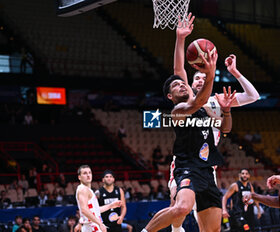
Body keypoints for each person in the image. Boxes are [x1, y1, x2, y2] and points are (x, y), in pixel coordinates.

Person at [168, 13, 260, 232]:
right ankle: (175, 229)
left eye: (203, 77)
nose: (199, 79)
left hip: (207, 165)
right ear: (189, 84)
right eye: (195, 78)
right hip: (185, 162)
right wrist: (180, 39)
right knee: (177, 206)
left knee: (209, 225)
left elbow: (253, 96)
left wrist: (235, 73)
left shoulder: (217, 101)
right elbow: (177, 70)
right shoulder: (188, 99)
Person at [141, 15, 223, 231]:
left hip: (207, 169)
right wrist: (211, 74)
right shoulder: (179, 110)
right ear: (170, 96)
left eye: (183, 83)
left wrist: (180, 38)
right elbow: (198, 99)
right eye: (176, 86)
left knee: (213, 228)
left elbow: (179, 69)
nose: (181, 84)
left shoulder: (202, 105)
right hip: (187, 166)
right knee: (181, 208)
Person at [76, 165, 122, 232]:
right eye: (85, 173)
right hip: (91, 226)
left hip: (91, 225)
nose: (88, 175)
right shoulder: (83, 189)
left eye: (89, 172)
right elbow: (84, 210)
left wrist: (111, 205)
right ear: (79, 177)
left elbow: (95, 210)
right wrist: (100, 223)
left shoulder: (88, 190)